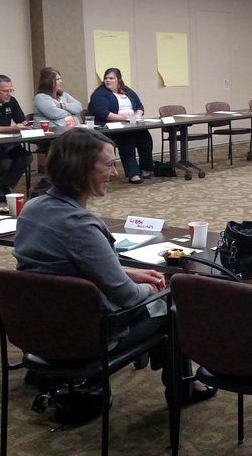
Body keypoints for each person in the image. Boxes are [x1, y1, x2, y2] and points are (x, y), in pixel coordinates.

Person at [12, 127, 214, 402]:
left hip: (40, 327)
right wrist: (156, 289)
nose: (115, 173)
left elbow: (62, 268)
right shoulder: (81, 226)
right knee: (175, 305)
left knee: (157, 294)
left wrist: (129, 272)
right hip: (88, 334)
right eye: (108, 164)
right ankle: (184, 389)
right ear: (80, 168)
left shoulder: (32, 209)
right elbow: (128, 298)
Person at [88, 68, 154, 185]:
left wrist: (138, 115)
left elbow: (139, 106)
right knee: (127, 138)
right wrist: (125, 118)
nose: (108, 81)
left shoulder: (127, 90)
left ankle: (145, 169)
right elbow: (104, 113)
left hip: (131, 123)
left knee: (145, 137)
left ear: (118, 80)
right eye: (106, 78)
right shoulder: (99, 93)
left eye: (111, 78)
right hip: (109, 127)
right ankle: (133, 174)